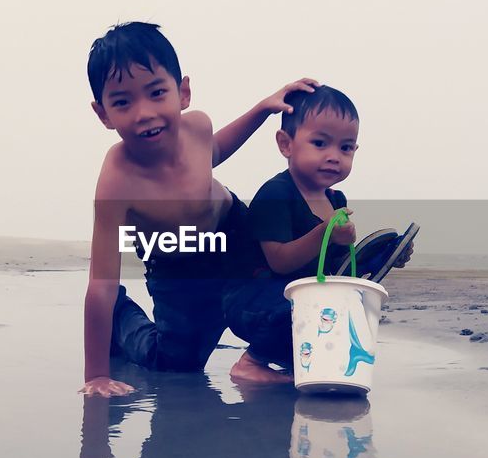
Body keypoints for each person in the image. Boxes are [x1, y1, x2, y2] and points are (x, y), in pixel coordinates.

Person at [81, 20, 316, 397]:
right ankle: (122, 319)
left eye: (157, 92)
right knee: (176, 363)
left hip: (235, 233)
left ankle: (254, 360)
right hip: (178, 265)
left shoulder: (196, 127)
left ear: (183, 92)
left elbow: (215, 151)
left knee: (282, 298)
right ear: (103, 113)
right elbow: (102, 282)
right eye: (123, 102)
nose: (144, 112)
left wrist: (262, 109)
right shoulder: (116, 181)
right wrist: (95, 375)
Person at [223, 85, 413, 383]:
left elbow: (337, 267)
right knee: (302, 309)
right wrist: (323, 233)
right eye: (320, 143)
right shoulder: (277, 194)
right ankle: (250, 362)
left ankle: (296, 361)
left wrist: (385, 257)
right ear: (286, 144)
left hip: (295, 299)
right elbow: (280, 262)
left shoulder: (336, 201)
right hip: (252, 301)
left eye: (346, 147)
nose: (334, 156)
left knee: (344, 308)